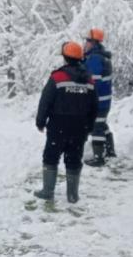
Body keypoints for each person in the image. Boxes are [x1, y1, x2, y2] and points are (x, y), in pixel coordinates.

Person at [34, 41, 99, 204]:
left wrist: (40, 122)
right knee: (74, 159)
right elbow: (94, 106)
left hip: (58, 126)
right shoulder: (89, 80)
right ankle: (72, 195)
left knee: (51, 157)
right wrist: (89, 126)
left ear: (65, 57)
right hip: (80, 127)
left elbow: (46, 101)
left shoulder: (57, 77)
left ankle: (48, 191)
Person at [83, 28, 115, 167]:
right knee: (101, 124)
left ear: (94, 43)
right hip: (103, 100)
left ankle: (99, 158)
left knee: (96, 127)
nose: (85, 44)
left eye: (87, 41)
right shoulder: (100, 56)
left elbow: (92, 81)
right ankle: (110, 151)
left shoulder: (95, 58)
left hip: (98, 101)